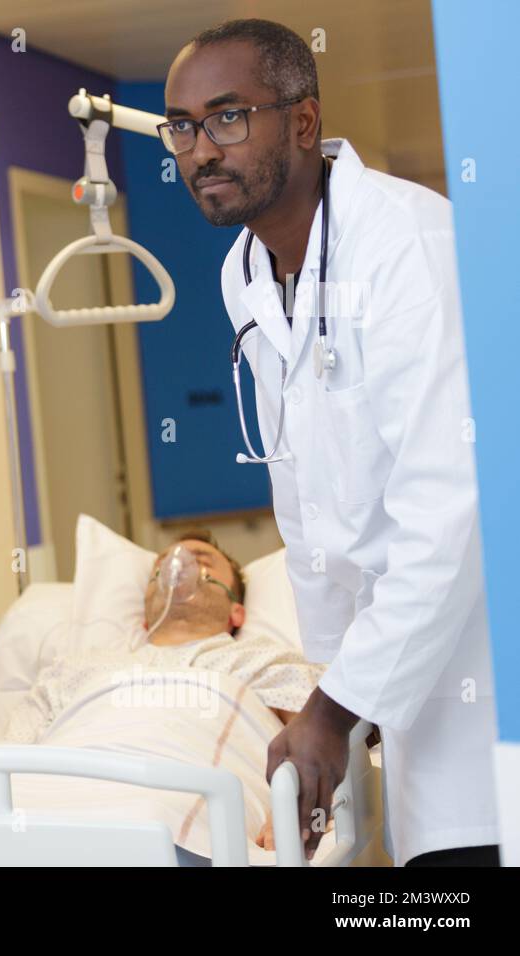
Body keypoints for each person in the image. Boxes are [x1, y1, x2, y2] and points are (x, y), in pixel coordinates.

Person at [161, 19, 499, 865]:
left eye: (228, 117)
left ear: (304, 123)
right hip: (402, 682)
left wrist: (336, 711)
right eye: (183, 125)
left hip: (486, 679)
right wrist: (336, 692)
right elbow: (309, 509)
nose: (201, 149)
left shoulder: (408, 251)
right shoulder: (243, 272)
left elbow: (451, 512)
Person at [3, 531, 324, 858]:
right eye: (161, 568)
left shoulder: (264, 659)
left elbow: (318, 746)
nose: (179, 566)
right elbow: (7, 757)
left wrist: (288, 811)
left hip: (170, 828)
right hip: (40, 816)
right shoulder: (72, 669)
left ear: (236, 612)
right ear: (144, 615)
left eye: (201, 563)